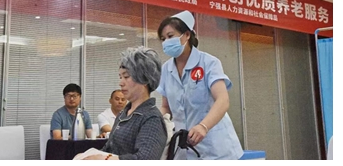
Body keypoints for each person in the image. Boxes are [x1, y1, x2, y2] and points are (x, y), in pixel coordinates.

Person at [157, 11, 244, 160]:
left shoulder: (209, 63)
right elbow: (166, 107)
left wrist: (204, 126)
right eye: (163, 39)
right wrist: (156, 124)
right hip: (183, 148)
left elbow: (223, 100)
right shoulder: (166, 69)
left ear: (187, 35)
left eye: (170, 36)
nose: (166, 42)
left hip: (215, 148)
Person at [81, 47, 167, 160]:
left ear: (145, 79)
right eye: (120, 77)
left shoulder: (152, 118)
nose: (121, 83)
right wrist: (88, 157)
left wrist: (107, 159)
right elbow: (109, 148)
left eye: (126, 77)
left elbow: (145, 158)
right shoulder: (123, 114)